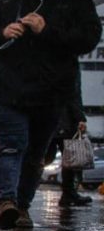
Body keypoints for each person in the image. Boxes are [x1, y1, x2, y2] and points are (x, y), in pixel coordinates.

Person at [0, 0, 102, 230]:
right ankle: (6, 202)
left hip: (51, 96)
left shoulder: (77, 4)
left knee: (35, 156)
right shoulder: (9, 5)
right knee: (12, 146)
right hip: (10, 93)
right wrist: (2, 34)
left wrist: (48, 30)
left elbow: (88, 39)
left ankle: (21, 206)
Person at [43, 74, 92, 207]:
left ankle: (68, 194)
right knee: (66, 159)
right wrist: (80, 117)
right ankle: (68, 194)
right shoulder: (68, 65)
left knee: (50, 157)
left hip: (51, 119)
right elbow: (73, 94)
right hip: (62, 120)